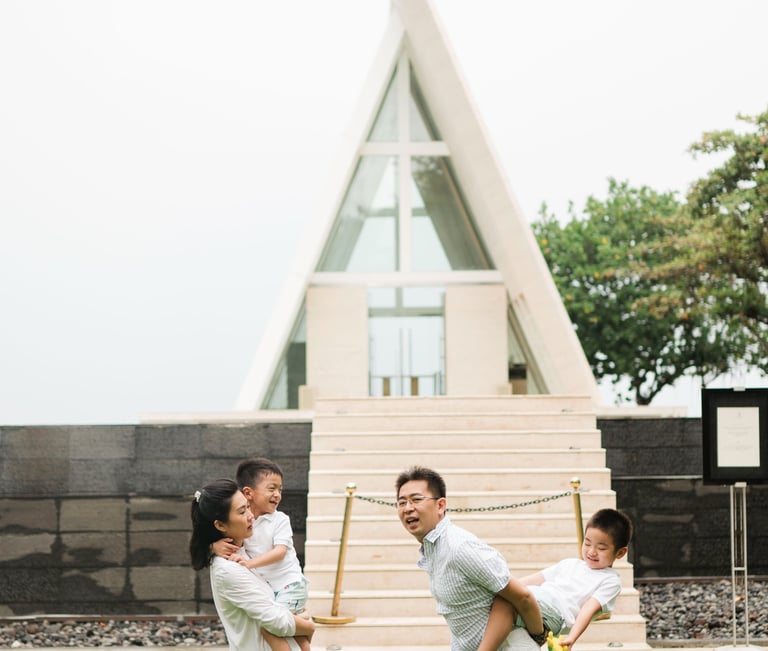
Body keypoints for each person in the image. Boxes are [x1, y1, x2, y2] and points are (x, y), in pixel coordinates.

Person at [396, 465, 547, 651]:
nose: (408, 508)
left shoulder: (459, 547)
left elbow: (520, 597)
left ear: (440, 505)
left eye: (416, 500)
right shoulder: (434, 549)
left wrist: (538, 637)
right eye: (402, 502)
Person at [478, 508, 634, 651]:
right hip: (535, 598)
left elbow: (588, 609)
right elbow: (534, 579)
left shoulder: (610, 580)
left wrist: (572, 637)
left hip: (555, 613)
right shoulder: (570, 564)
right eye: (587, 543)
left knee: (506, 600)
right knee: (501, 609)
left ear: (620, 553)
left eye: (601, 548)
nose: (592, 552)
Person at [190, 478, 315, 651]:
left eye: (248, 506)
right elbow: (276, 621)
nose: (251, 516)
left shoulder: (246, 550)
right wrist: (308, 625)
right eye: (242, 512)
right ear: (220, 525)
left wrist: (210, 546)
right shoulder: (227, 569)